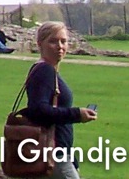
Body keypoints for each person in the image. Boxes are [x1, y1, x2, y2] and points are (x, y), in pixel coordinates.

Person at [24, 21, 97, 178]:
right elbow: (38, 110)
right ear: (40, 44)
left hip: (59, 152)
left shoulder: (48, 70)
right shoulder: (44, 70)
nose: (60, 46)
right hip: (53, 154)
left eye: (63, 41)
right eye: (53, 41)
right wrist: (77, 114)